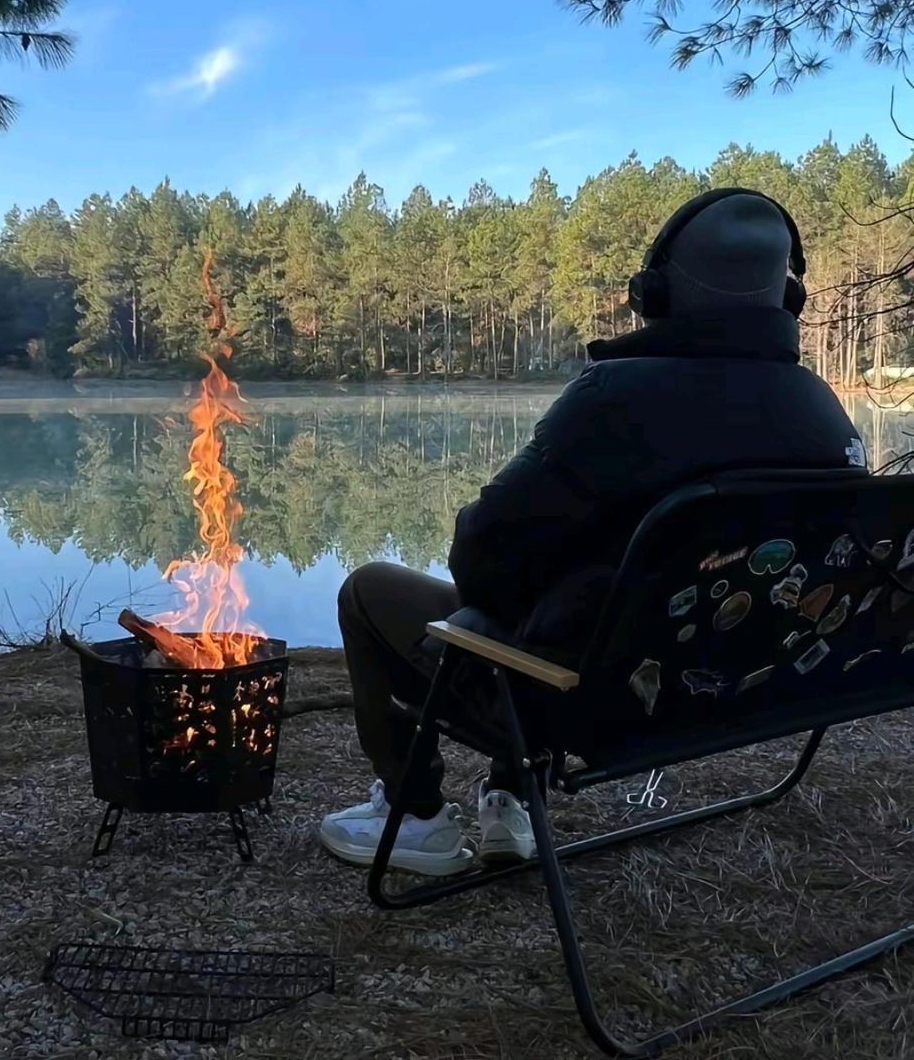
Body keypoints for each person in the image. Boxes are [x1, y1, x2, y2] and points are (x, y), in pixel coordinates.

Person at [320, 188, 868, 876]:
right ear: (787, 299)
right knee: (567, 589)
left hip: (596, 703)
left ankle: (417, 816)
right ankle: (509, 799)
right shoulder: (823, 409)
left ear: (654, 295)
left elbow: (480, 556)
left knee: (371, 591)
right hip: (759, 686)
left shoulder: (615, 399)